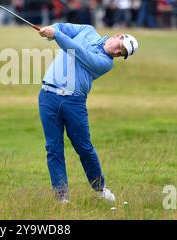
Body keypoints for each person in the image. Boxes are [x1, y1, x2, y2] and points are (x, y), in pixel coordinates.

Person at [37, 23, 139, 203]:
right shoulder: (88, 30)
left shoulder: (105, 64)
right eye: (120, 48)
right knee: (53, 148)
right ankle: (62, 197)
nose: (117, 53)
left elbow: (77, 51)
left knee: (83, 147)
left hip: (73, 102)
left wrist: (56, 35)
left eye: (121, 54)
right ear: (118, 35)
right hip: (47, 96)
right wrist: (50, 29)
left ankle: (100, 187)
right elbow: (61, 27)